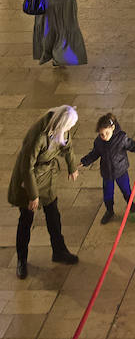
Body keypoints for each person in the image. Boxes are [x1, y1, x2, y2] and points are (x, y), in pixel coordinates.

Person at [8, 107, 80, 278]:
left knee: (53, 215)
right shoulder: (39, 136)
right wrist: (33, 196)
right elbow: (27, 167)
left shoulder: (62, 130)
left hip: (47, 179)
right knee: (26, 220)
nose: (69, 130)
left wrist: (72, 167)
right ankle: (21, 260)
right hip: (28, 182)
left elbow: (67, 147)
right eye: (69, 126)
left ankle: (59, 251)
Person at [79, 114, 135, 225]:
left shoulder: (121, 138)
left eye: (107, 133)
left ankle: (131, 205)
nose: (104, 136)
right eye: (101, 134)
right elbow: (94, 154)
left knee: (126, 190)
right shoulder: (99, 142)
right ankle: (109, 211)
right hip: (107, 172)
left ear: (112, 128)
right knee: (107, 193)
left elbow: (132, 145)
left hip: (121, 171)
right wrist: (84, 161)